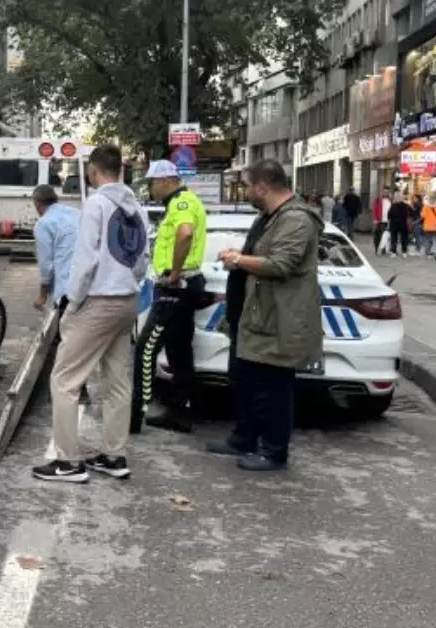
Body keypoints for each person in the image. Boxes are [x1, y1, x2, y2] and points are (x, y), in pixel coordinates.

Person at [33, 145, 148, 484]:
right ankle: (115, 455)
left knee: (65, 379)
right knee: (116, 381)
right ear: (122, 171)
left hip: (97, 301)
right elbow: (142, 259)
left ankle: (67, 462)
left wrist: (73, 301)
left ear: (93, 171)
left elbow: (84, 263)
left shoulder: (96, 204)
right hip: (127, 299)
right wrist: (129, 282)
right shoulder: (136, 207)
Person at [213, 159, 322, 472]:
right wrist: (242, 259)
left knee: (272, 387)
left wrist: (239, 259)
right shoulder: (270, 217)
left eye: (247, 185)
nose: (244, 191)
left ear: (263, 186)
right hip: (256, 316)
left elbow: (281, 264)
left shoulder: (297, 219)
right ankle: (244, 437)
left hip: (277, 319)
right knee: (246, 379)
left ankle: (274, 451)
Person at [136, 159, 208, 433]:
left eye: (152, 184)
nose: (151, 190)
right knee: (179, 350)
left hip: (176, 287)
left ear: (165, 181)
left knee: (145, 348)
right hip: (183, 286)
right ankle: (181, 411)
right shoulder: (184, 202)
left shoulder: (182, 203)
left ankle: (137, 409)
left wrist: (175, 272)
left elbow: (185, 233)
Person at [31, 184, 81, 314]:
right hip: (90, 285)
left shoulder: (44, 224)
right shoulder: (77, 213)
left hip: (67, 289)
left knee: (65, 331)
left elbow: (46, 264)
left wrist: (43, 295)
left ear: (37, 204)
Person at [421, 195, 436, 260]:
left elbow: (423, 216)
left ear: (429, 199)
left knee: (428, 240)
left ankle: (428, 254)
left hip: (427, 226)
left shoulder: (426, 206)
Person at [387, 191, 411, 258]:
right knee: (404, 238)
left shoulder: (393, 206)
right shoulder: (405, 206)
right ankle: (404, 252)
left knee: (394, 238)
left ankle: (393, 252)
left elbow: (389, 215)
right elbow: (408, 214)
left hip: (394, 224)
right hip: (403, 224)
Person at [372, 188, 391, 254]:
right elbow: (374, 210)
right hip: (380, 221)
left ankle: (383, 249)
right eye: (384, 192)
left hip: (388, 221)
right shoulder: (378, 200)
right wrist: (375, 219)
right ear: (382, 192)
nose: (386, 193)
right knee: (378, 236)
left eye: (387, 192)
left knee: (385, 235)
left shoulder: (390, 200)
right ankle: (377, 248)